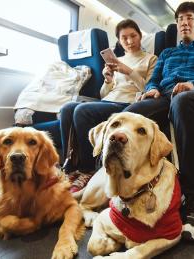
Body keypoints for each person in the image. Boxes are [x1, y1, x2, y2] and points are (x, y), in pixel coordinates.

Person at [123, 1, 194, 241]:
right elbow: (154, 80)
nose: (184, 22)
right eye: (180, 19)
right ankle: (127, 190)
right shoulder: (167, 53)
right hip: (166, 96)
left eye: (189, 18)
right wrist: (151, 89)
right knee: (129, 114)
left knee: (183, 101)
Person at [60, 19, 158, 194]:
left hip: (129, 103)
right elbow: (104, 94)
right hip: (110, 100)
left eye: (133, 36)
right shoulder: (116, 60)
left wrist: (128, 71)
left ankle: (88, 169)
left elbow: (149, 88)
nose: (129, 41)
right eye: (124, 38)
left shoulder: (151, 59)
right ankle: (70, 166)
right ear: (119, 40)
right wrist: (108, 79)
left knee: (82, 110)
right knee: (67, 108)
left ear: (140, 36)